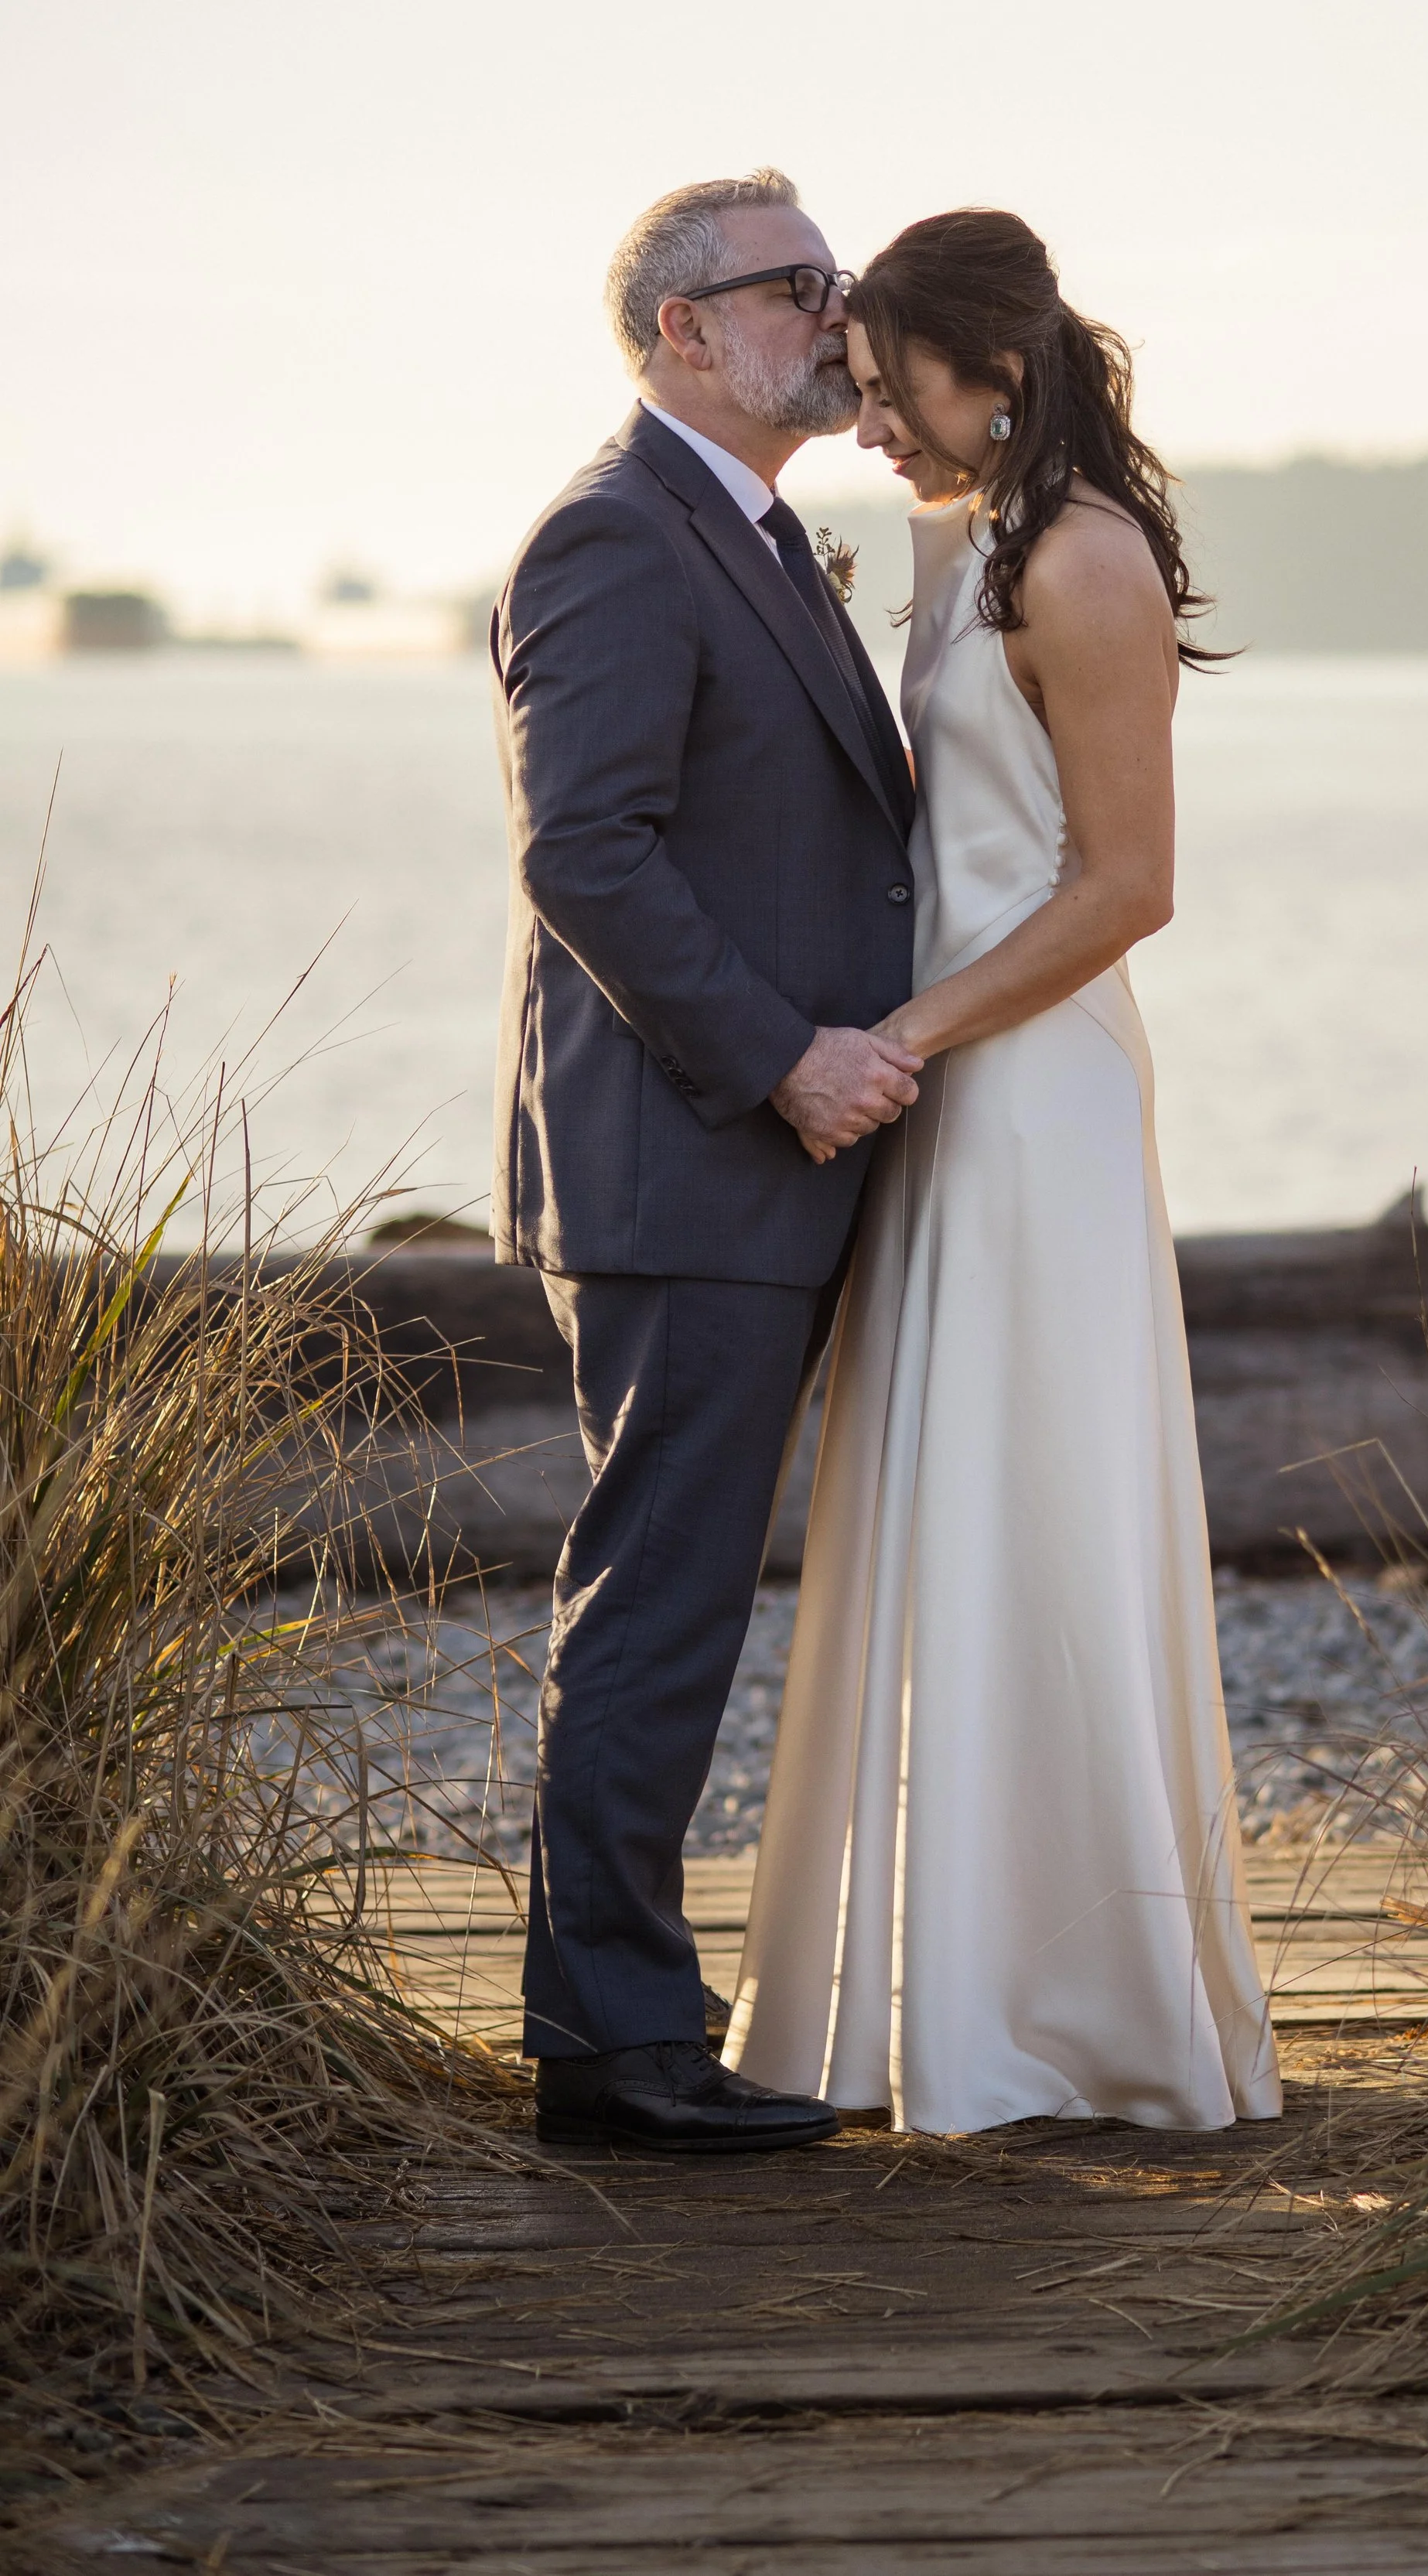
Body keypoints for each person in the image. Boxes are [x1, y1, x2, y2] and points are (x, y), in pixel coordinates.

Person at [727, 211, 1283, 2134]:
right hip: (941, 1079)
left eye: (892, 389)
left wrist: (908, 1041)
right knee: (940, 1496)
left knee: (1036, 1494)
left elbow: (1127, 887)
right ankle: (934, 1981)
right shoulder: (959, 546)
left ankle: (1076, 1998)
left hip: (1024, 1094)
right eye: (859, 391)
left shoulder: (1085, 559)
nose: (870, 423)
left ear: (1001, 372)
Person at [489, 171, 921, 2151]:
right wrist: (781, 1066)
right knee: (659, 1594)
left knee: (684, 1590)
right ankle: (610, 2048)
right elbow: (585, 853)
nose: (837, 322)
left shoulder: (752, 529)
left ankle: (633, 2013)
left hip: (772, 1158)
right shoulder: (610, 536)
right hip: (689, 1159)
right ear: (681, 328)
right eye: (795, 291)